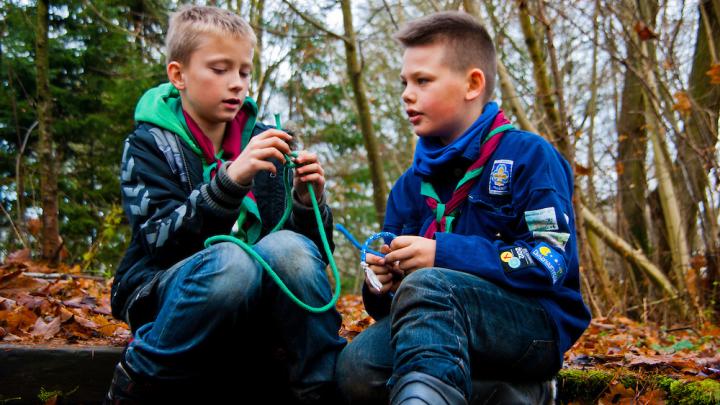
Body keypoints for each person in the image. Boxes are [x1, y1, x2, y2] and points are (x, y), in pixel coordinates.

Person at [336, 11, 591, 405]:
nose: (406, 94)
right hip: (436, 324)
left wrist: (442, 255)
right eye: (405, 82)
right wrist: (380, 281)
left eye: (423, 81)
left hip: (532, 326)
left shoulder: (528, 156)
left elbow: (550, 260)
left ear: (473, 83)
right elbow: (391, 308)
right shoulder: (409, 186)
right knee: (356, 368)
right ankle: (518, 395)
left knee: (430, 284)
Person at [106, 5, 345, 404]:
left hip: (257, 307)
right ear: (178, 75)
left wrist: (307, 202)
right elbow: (161, 242)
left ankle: (320, 387)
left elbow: (308, 260)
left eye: (244, 72)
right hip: (168, 293)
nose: (237, 85)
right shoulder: (149, 144)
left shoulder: (269, 141)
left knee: (285, 247)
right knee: (234, 262)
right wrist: (230, 182)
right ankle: (139, 381)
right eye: (220, 70)